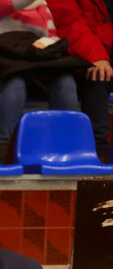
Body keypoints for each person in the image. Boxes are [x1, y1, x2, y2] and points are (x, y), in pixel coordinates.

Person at [0, 0, 80, 161]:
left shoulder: (41, 5)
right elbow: (6, 5)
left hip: (30, 64)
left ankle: (69, 150)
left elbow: (53, 37)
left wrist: (44, 43)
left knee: (65, 80)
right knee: (15, 81)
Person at [47, 0, 113, 161]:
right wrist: (97, 56)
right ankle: (98, 155)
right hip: (84, 57)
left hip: (102, 56)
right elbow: (71, 25)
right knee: (97, 76)